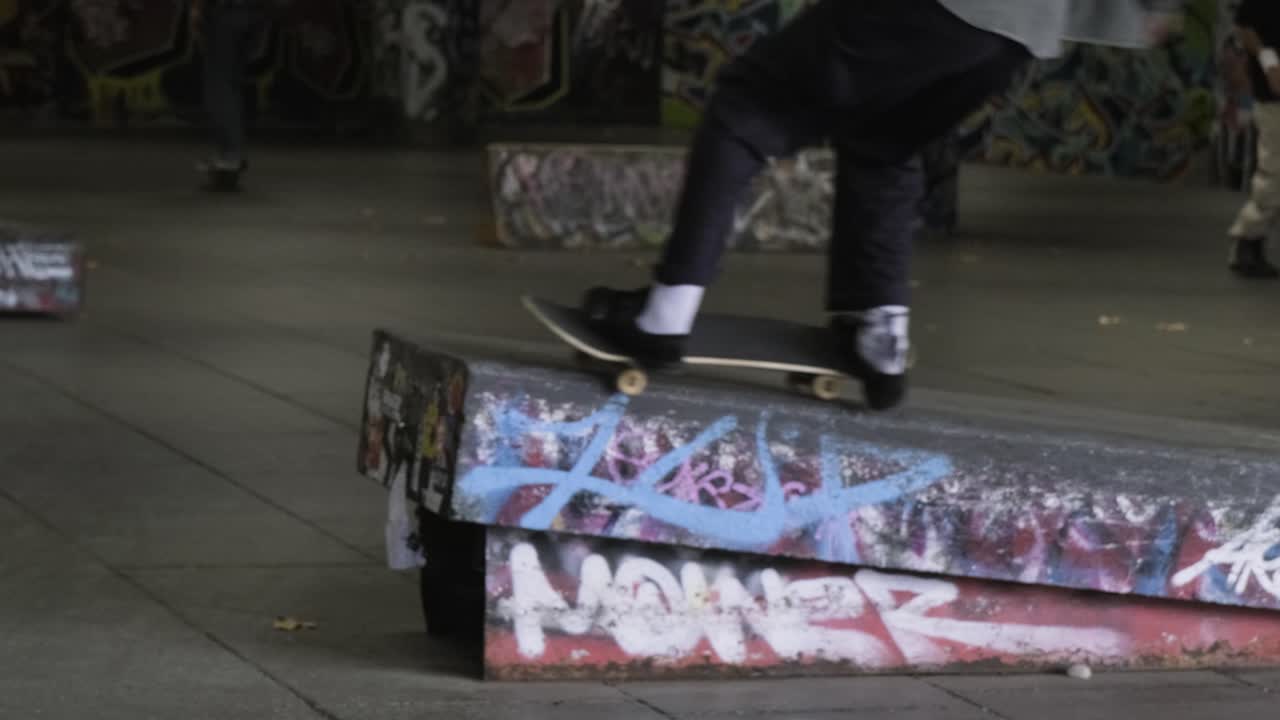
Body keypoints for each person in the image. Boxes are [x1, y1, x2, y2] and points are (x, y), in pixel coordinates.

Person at [580, 0, 1184, 410]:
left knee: (749, 105)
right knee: (887, 142)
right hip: (1018, 32)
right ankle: (879, 334)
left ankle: (662, 317)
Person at [1227, 0, 1280, 278]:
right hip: (1274, 98)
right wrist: (1269, 61)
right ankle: (1248, 240)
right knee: (1275, 172)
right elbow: (1244, 26)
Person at [190, 0, 268, 177]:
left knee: (220, 86)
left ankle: (230, 154)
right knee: (232, 85)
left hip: (226, 13)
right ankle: (232, 151)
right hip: (254, 13)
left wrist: (196, 8)